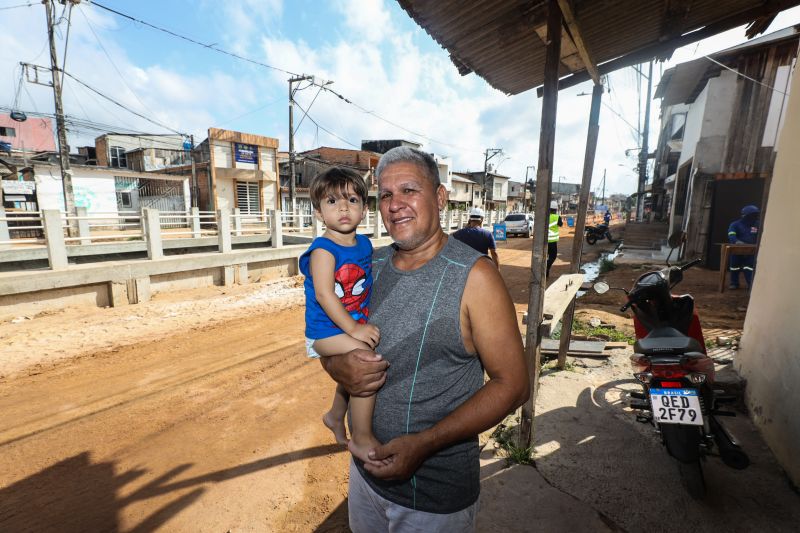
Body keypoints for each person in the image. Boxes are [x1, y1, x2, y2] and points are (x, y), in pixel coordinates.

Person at [320, 146, 529, 531]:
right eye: (385, 194)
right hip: (365, 479)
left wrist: (425, 443)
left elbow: (514, 386)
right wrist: (337, 366)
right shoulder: (369, 265)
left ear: (440, 197)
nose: (395, 204)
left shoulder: (476, 277)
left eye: (409, 190)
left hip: (433, 500)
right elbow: (330, 336)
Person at [298, 167, 383, 464]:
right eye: (332, 201)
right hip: (324, 332)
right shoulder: (323, 250)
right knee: (365, 360)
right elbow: (324, 294)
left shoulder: (364, 244)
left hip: (345, 328)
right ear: (319, 213)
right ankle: (361, 437)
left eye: (352, 199)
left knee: (358, 360)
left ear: (364, 210)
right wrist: (354, 329)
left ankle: (335, 415)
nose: (344, 207)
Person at [727, 204, 760, 290]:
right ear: (745, 215)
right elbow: (731, 234)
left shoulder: (757, 224)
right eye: (752, 215)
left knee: (749, 267)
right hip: (737, 249)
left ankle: (751, 285)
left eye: (755, 215)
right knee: (734, 267)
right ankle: (734, 283)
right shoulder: (735, 224)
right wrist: (736, 241)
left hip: (751, 251)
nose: (754, 217)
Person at [547, 200, 563, 277]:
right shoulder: (557, 217)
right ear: (556, 209)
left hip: (544, 241)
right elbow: (561, 224)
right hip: (552, 241)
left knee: (545, 256)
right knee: (552, 256)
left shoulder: (545, 216)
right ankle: (546, 267)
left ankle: (546, 273)